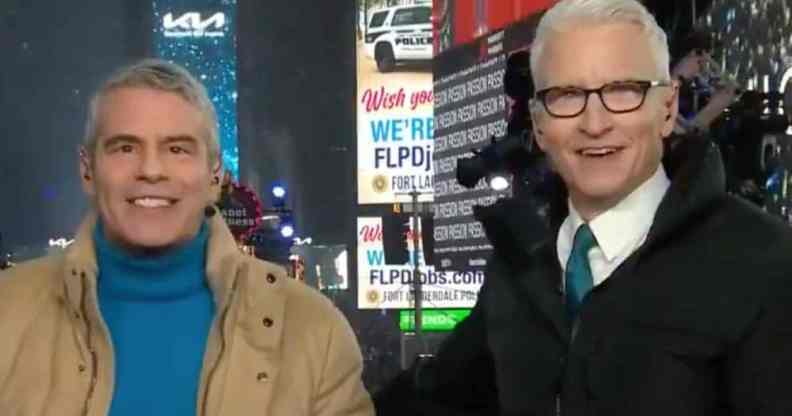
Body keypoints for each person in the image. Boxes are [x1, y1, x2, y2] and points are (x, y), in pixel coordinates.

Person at [375, 0, 792, 415]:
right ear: (539, 125)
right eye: (567, 95)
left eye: (623, 90)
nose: (595, 123)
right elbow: (439, 394)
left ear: (667, 108)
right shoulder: (519, 276)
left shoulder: (766, 264)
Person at [0, 59, 374, 416]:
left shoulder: (312, 331)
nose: (150, 170)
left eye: (177, 149)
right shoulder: (8, 311)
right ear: (87, 170)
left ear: (215, 176)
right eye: (125, 148)